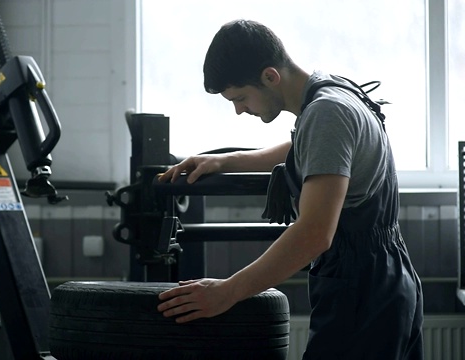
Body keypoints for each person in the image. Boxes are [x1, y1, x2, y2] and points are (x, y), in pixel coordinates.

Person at [156, 19, 424, 359]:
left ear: (270, 76)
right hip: (387, 281)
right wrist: (226, 161)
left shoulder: (327, 113)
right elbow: (313, 150)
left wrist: (226, 292)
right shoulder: (334, 91)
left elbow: (313, 234)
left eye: (240, 98)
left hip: (362, 294)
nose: (239, 110)